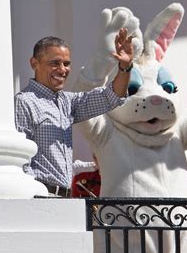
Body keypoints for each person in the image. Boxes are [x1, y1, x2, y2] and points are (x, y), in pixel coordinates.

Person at [15, 28, 134, 197]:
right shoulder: (24, 102)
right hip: (39, 198)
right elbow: (21, 158)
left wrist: (125, 66)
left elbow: (112, 97)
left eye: (66, 63)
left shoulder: (67, 102)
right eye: (54, 63)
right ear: (34, 63)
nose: (63, 70)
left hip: (64, 199)